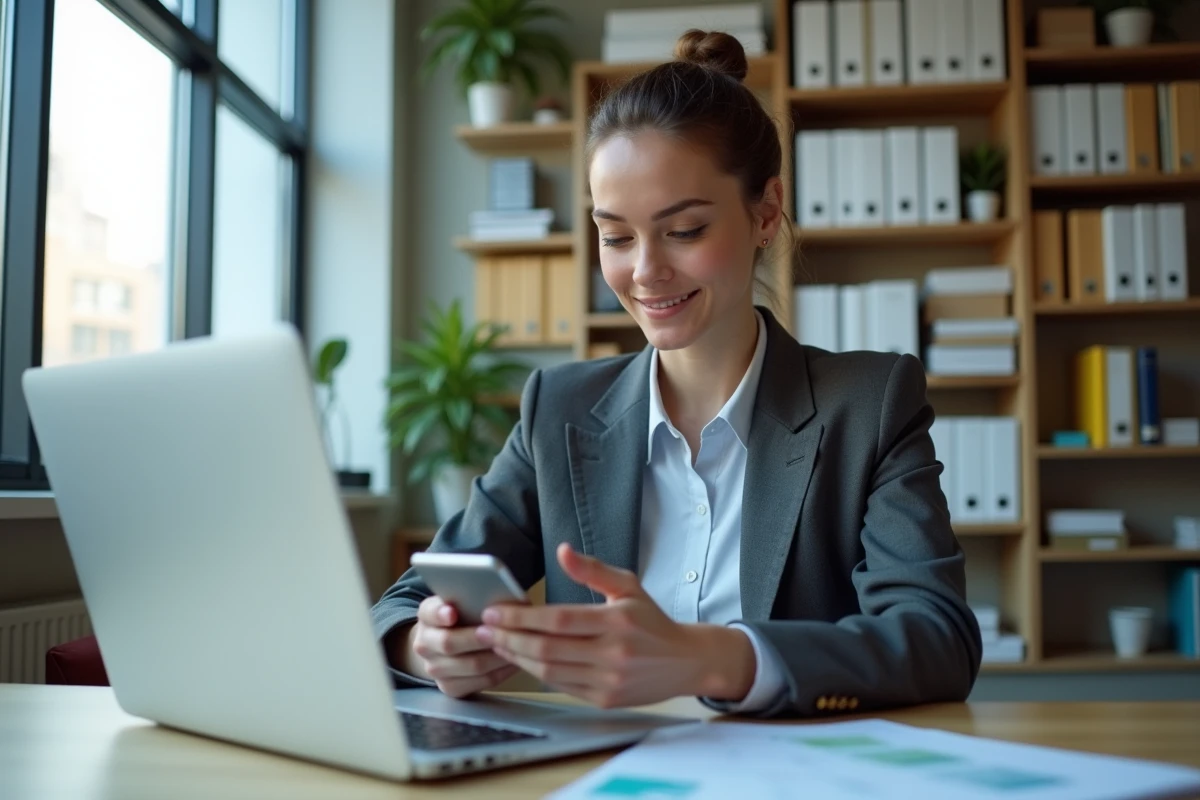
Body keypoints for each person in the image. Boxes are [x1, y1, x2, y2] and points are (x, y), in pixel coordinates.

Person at [371, 29, 982, 718]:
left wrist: (708, 657)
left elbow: (939, 640)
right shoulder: (560, 409)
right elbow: (400, 609)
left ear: (766, 213)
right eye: (616, 236)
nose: (645, 271)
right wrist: (427, 647)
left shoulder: (869, 406)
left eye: (684, 230)